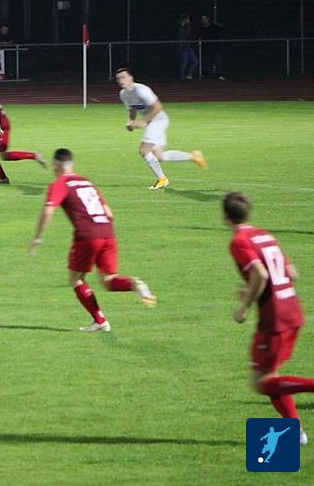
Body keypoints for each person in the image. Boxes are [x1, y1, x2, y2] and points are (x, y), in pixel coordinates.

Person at [28, 148, 155, 332]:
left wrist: (37, 238)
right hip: (107, 232)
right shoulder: (86, 182)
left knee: (75, 279)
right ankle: (134, 284)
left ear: (55, 166)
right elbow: (109, 214)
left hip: (87, 235)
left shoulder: (60, 183)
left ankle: (100, 320)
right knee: (109, 281)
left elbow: (48, 211)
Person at [224, 192, 314, 446]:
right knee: (270, 377)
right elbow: (292, 273)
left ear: (225, 216)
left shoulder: (239, 240)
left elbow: (261, 274)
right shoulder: (264, 235)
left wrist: (244, 305)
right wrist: (253, 290)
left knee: (262, 382)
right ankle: (296, 433)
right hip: (292, 309)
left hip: (275, 318)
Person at [115, 67, 208, 189]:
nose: (121, 81)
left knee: (144, 150)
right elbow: (132, 109)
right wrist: (131, 121)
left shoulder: (141, 90)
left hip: (158, 120)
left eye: (123, 77)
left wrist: (143, 121)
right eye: (118, 79)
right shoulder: (123, 94)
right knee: (159, 156)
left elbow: (158, 107)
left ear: (131, 77)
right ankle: (193, 156)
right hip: (153, 122)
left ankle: (162, 179)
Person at [197, 15, 225, 80]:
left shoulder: (213, 26)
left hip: (215, 48)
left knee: (217, 62)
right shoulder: (200, 28)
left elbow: (222, 27)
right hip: (206, 48)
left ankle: (220, 75)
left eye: (205, 18)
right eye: (202, 19)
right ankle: (210, 76)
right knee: (208, 63)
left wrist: (217, 23)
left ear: (208, 19)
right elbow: (199, 36)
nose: (203, 20)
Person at [176, 14, 197, 80]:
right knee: (183, 63)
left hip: (188, 47)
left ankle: (189, 74)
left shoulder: (185, 27)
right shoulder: (179, 28)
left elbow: (189, 34)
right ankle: (182, 78)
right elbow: (187, 33)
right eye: (187, 19)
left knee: (194, 61)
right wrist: (188, 24)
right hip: (182, 47)